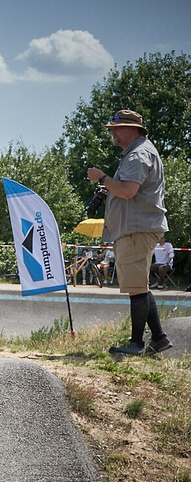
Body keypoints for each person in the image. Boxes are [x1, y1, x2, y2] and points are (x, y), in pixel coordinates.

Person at [87, 109, 171, 355]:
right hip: (136, 227)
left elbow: (128, 191)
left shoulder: (138, 154)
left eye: (117, 128)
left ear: (133, 129)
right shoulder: (136, 153)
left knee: (136, 288)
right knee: (139, 285)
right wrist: (109, 192)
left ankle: (136, 344)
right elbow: (127, 192)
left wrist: (102, 178)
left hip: (137, 228)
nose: (112, 132)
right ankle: (159, 339)